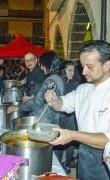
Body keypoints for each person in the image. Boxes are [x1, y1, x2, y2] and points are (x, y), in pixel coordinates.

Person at [45, 40, 110, 180]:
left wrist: (73, 135)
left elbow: (107, 140)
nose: (83, 71)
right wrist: (54, 99)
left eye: (89, 66)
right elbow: (63, 104)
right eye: (82, 66)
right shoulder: (83, 89)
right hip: (84, 153)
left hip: (105, 160)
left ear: (107, 65)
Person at [7, 51, 64, 124]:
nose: (41, 68)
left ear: (48, 65)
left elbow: (38, 101)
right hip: (51, 117)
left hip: (46, 119)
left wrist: (17, 107)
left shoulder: (50, 80)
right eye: (26, 60)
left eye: (43, 65)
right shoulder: (57, 77)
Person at [60, 61, 81, 174]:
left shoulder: (76, 84)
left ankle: (67, 164)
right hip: (61, 116)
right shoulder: (60, 82)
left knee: (70, 143)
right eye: (70, 70)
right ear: (63, 70)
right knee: (59, 139)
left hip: (72, 118)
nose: (72, 73)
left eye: (73, 70)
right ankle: (58, 163)